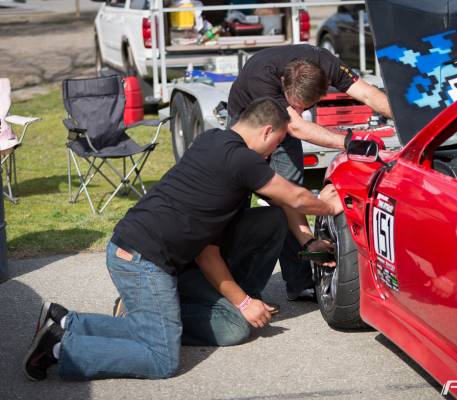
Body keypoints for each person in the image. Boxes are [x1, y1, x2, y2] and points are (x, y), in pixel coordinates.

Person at [23, 98, 343, 381]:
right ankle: (61, 349)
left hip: (141, 250)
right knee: (160, 357)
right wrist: (329, 204)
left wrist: (243, 301)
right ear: (267, 132)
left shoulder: (212, 140)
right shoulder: (242, 161)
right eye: (278, 142)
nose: (275, 151)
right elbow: (296, 197)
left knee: (272, 218)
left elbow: (213, 249)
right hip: (142, 261)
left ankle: (63, 320)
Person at [227, 44, 391, 301]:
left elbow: (369, 95)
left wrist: (407, 122)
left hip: (287, 121)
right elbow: (298, 128)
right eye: (298, 106)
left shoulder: (326, 64)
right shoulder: (263, 77)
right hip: (247, 119)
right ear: (285, 88)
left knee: (290, 193)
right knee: (236, 201)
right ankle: (231, 286)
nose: (303, 111)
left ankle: (299, 281)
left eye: (307, 107)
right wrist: (348, 142)